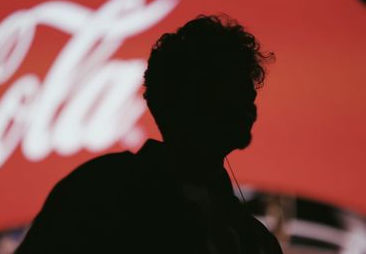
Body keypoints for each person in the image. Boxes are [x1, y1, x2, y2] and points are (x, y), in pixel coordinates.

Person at [15, 15, 282, 254]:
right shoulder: (102, 195)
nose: (249, 108)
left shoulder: (253, 237)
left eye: (248, 97)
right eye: (232, 92)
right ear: (187, 101)